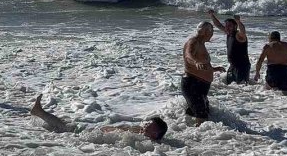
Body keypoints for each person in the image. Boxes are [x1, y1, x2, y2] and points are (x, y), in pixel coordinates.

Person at [29, 95, 168, 142]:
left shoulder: (144, 139)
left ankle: (39, 113)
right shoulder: (141, 132)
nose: (146, 124)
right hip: (96, 131)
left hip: (94, 137)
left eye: (150, 125)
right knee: (66, 127)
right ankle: (40, 114)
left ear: (155, 133)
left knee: (65, 129)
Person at [182, 22, 226, 126]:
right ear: (205, 32)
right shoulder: (193, 42)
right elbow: (189, 56)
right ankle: (197, 139)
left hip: (200, 86)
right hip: (193, 84)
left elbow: (202, 63)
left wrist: (213, 69)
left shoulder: (201, 44)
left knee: (200, 113)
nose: (212, 34)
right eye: (212, 31)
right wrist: (196, 62)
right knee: (202, 116)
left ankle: (188, 131)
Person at [208, 9, 249, 84]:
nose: (227, 27)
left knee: (242, 86)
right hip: (233, 65)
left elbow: (243, 31)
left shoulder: (239, 35)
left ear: (235, 26)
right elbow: (218, 25)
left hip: (241, 67)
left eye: (230, 26)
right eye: (226, 26)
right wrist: (211, 15)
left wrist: (238, 21)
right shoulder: (228, 33)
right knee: (232, 86)